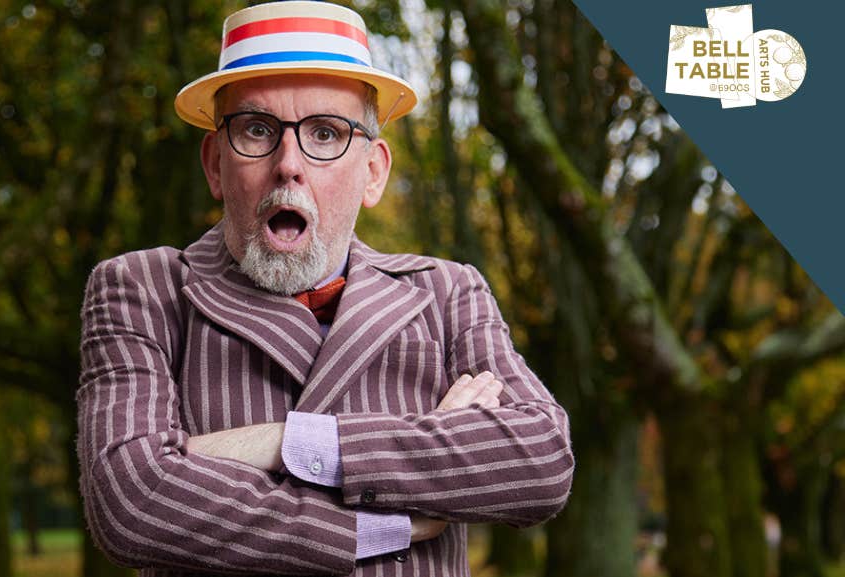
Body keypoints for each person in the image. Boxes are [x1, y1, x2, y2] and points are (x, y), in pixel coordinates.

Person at [77, 2, 574, 576]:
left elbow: (541, 461)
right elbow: (131, 502)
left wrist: (289, 442)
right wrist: (383, 523)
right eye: (257, 130)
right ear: (215, 164)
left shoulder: (446, 292)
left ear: (373, 172)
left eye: (326, 133)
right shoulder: (143, 289)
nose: (289, 164)